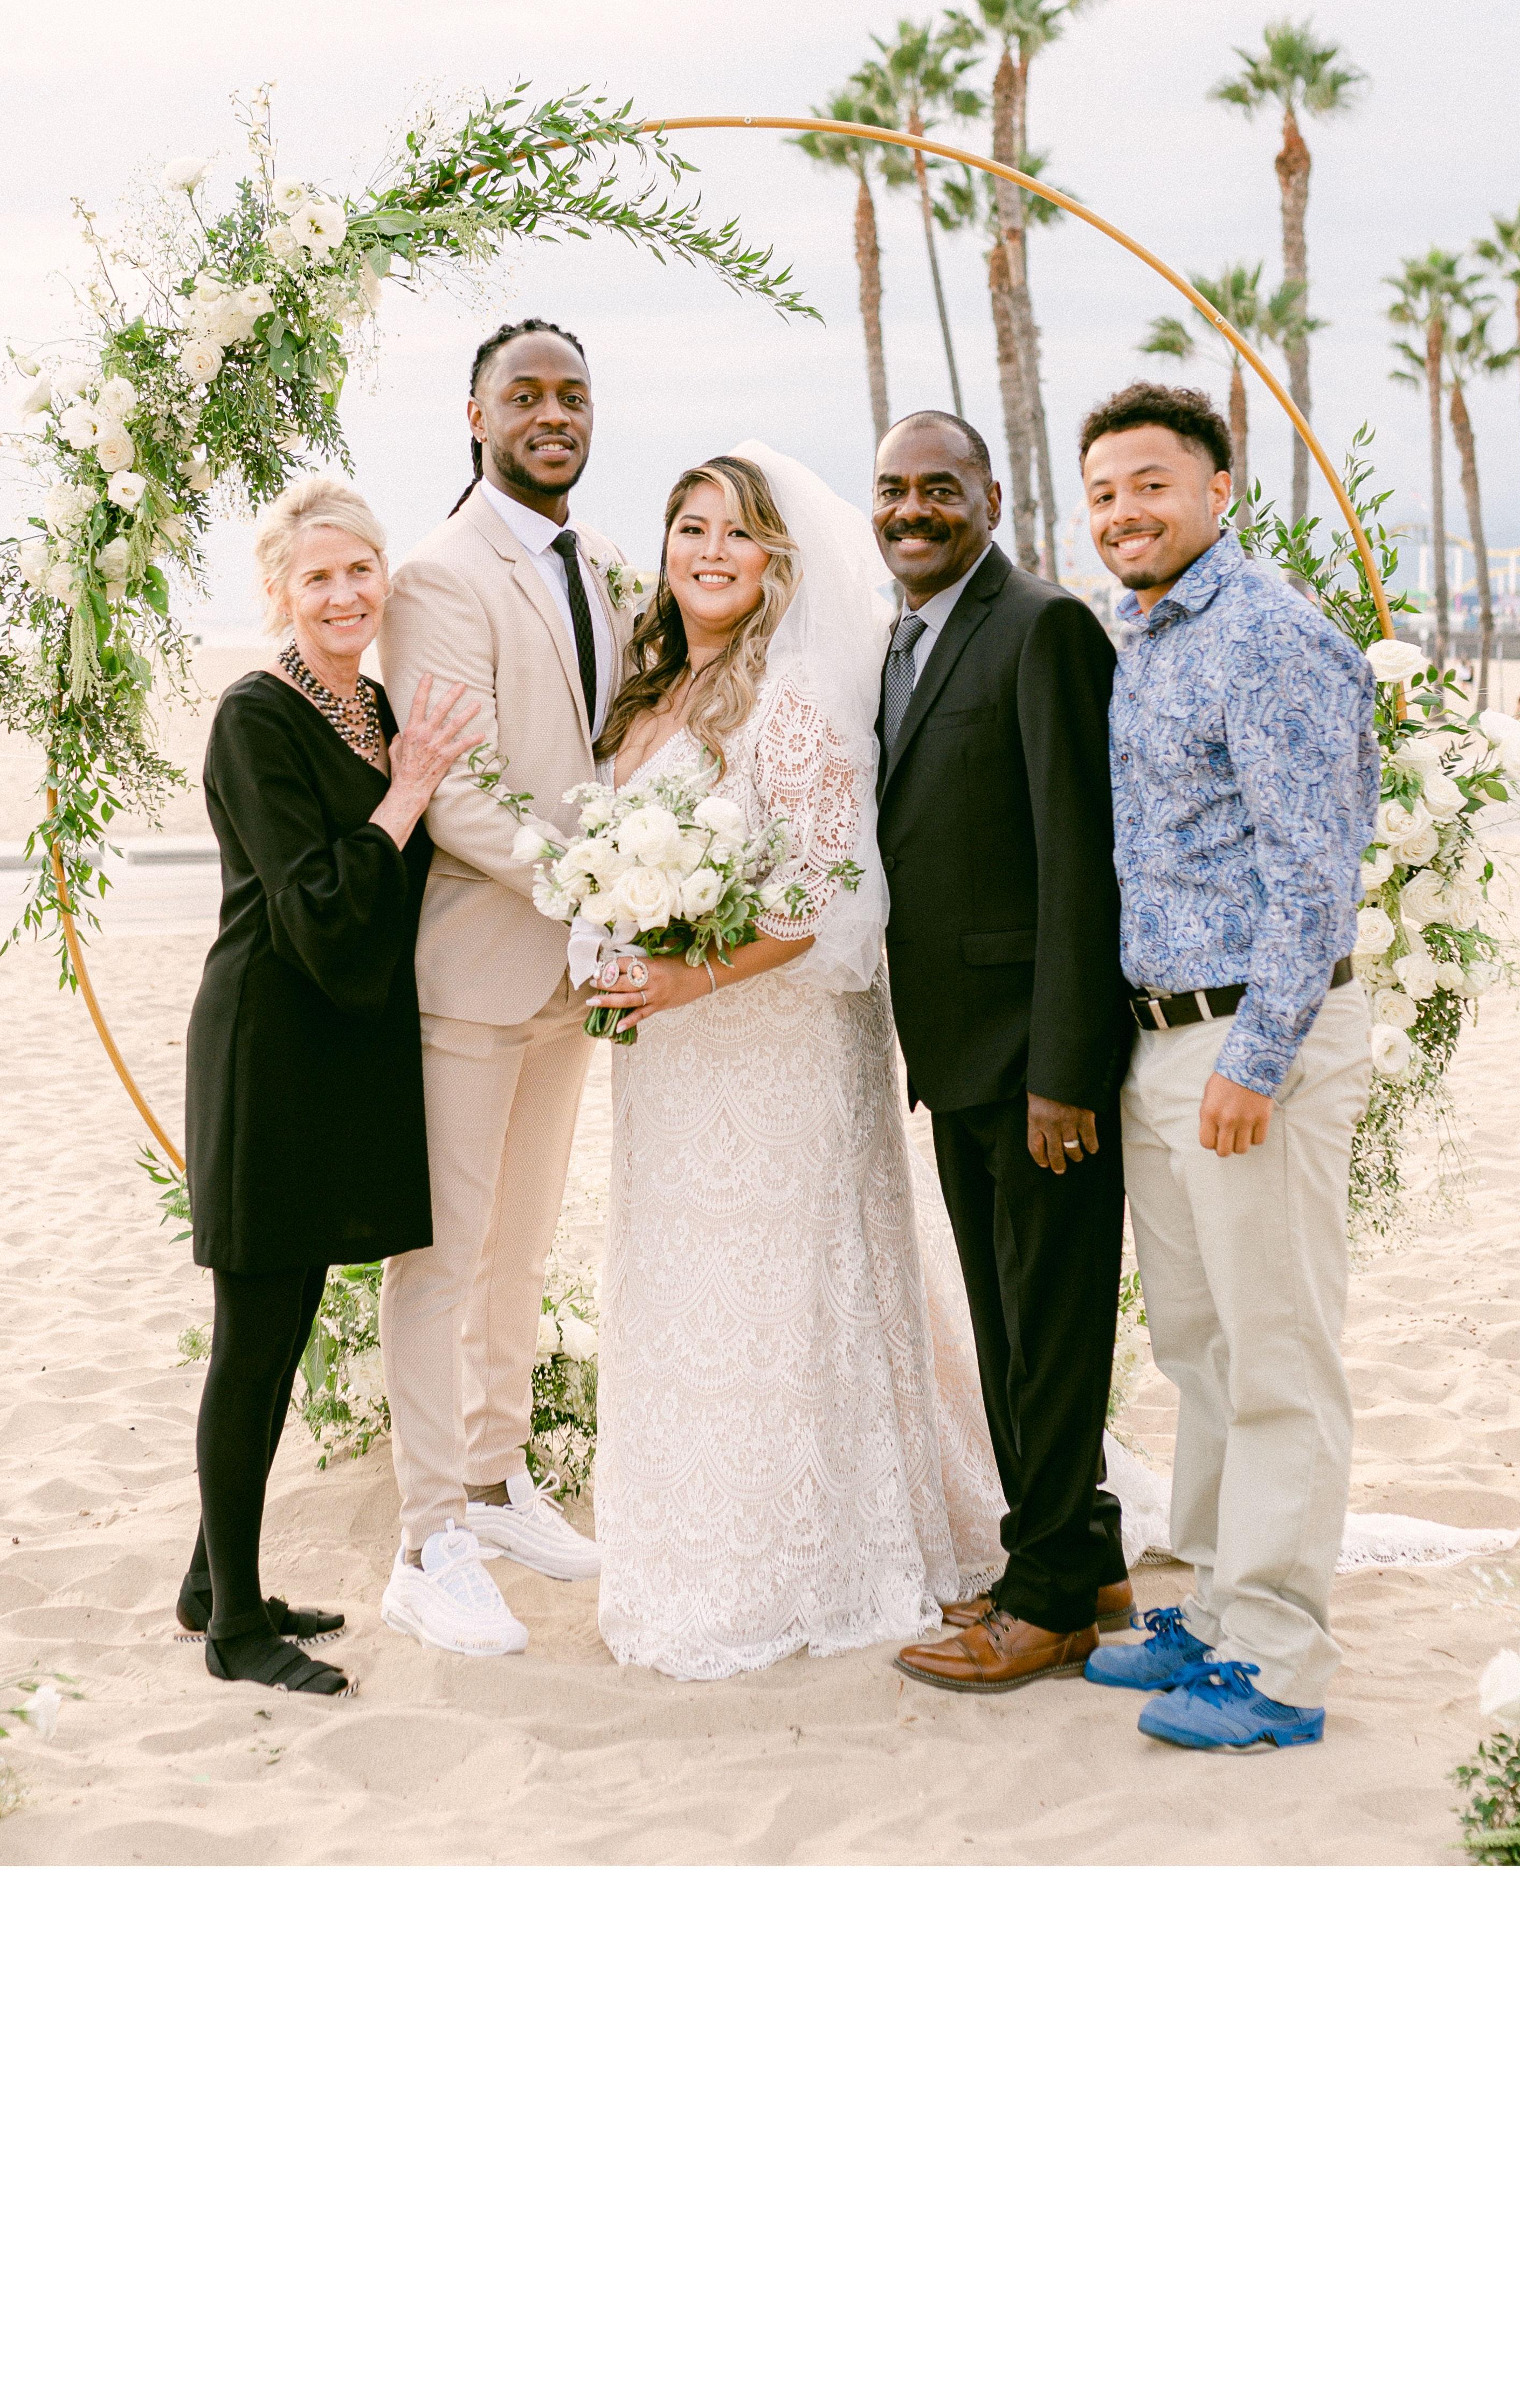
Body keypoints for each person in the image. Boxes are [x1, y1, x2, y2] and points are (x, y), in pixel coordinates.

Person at [581, 448, 1002, 1678]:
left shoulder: (794, 700)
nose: (711, 551)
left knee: (784, 1289)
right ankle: (691, 1546)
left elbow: (825, 897)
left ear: (778, 560)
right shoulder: (643, 694)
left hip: (780, 1049)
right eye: (691, 527)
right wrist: (608, 953)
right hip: (671, 1061)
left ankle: (811, 1553)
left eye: (738, 532)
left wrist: (689, 975)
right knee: (683, 1287)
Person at [1072, 380, 1378, 1756]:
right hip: (1161, 1039)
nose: (1124, 512)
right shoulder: (1145, 636)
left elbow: (1316, 870)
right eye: (1104, 493)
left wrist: (1255, 1059)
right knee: (1197, 1348)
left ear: (1219, 491)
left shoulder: (1269, 636)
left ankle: (1281, 1664)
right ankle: (1207, 1612)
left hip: (1253, 1043)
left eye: (1151, 484)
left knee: (1277, 1356)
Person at [175, 476, 480, 1694]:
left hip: (335, 1045)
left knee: (289, 1320)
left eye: (362, 570)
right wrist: (407, 793)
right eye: (319, 577)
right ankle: (236, 1633)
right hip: (267, 1045)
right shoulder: (256, 718)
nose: (346, 594)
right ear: (279, 593)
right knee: (253, 1339)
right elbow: (314, 906)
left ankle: (213, 1581)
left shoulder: (371, 705)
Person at [372, 320, 637, 1654]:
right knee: (442, 1258)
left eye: (571, 395)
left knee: (521, 1247)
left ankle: (493, 1479)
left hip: (569, 979)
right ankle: (426, 1539)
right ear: (475, 416)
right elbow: (460, 793)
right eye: (523, 395)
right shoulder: (439, 575)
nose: (552, 414)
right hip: (477, 968)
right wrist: (591, 887)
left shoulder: (605, 567)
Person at [867, 411, 1139, 1698]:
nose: (912, 510)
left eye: (940, 488)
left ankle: (1046, 1608)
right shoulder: (904, 644)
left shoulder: (1043, 627)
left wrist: (1065, 1072)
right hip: (955, 1055)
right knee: (1010, 1330)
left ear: (989, 499)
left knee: (1053, 1331)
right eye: (893, 489)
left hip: (1037, 1063)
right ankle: (1082, 1554)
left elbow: (1081, 858)